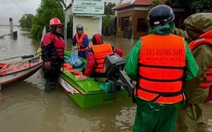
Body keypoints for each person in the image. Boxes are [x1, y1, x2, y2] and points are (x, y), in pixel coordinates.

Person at [124, 5, 199, 132]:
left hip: (146, 99)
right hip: (173, 100)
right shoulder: (182, 43)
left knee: (142, 128)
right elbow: (193, 72)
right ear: (171, 23)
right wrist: (173, 78)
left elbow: (130, 69)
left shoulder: (142, 42)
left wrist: (146, 77)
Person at [175, 13, 212, 132]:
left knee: (185, 120)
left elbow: (195, 74)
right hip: (201, 90)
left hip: (194, 90)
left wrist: (184, 95)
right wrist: (171, 29)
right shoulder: (204, 39)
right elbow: (186, 36)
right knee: (197, 116)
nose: (187, 31)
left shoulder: (204, 48)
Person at [41, 17, 65, 92]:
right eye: (58, 27)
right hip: (51, 65)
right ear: (53, 27)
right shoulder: (49, 36)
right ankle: (48, 99)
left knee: (53, 82)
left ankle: (49, 97)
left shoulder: (59, 37)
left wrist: (61, 63)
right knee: (51, 83)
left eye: (60, 27)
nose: (60, 28)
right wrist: (46, 60)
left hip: (57, 64)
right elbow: (44, 48)